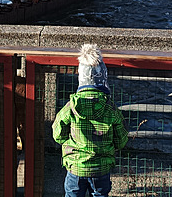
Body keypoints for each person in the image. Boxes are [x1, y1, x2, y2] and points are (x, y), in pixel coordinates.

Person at [52, 44, 128, 197]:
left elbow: (58, 134)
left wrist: (70, 142)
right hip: (101, 169)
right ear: (103, 78)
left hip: (76, 167)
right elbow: (121, 140)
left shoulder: (71, 107)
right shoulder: (110, 108)